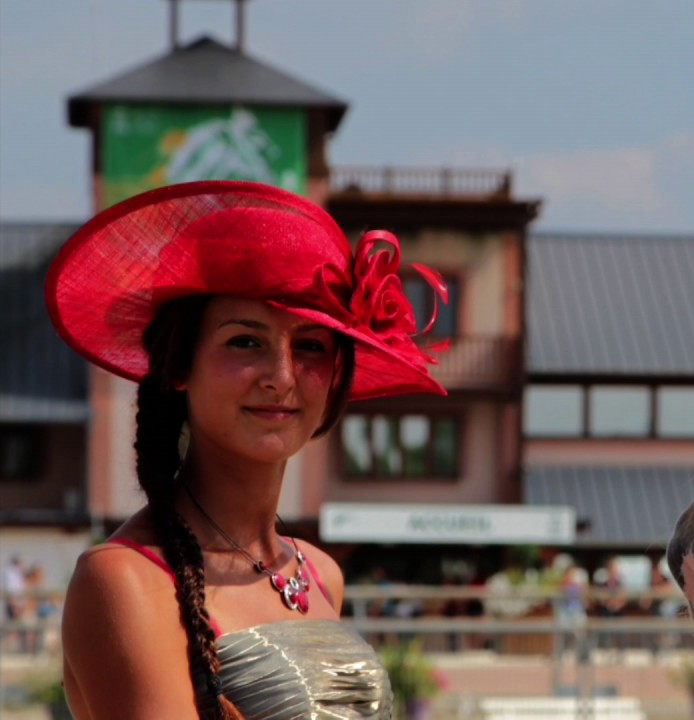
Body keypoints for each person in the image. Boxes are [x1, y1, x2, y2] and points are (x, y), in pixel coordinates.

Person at [52, 181, 448, 719]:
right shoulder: (126, 580)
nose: (281, 378)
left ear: (335, 376)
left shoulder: (320, 573)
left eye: (310, 346)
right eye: (245, 341)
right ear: (179, 366)